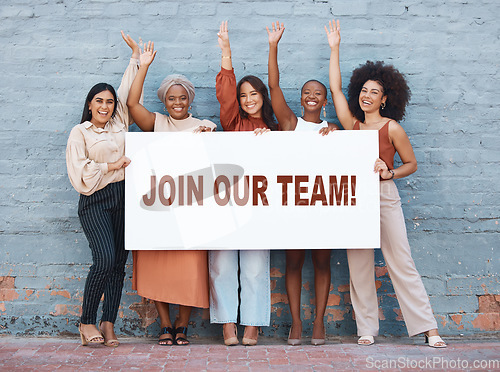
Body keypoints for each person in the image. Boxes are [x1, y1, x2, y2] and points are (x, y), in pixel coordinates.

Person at [325, 19, 447, 348]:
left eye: (373, 92)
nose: (366, 96)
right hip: (355, 198)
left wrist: (388, 173)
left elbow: (412, 164)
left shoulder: (392, 128)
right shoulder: (351, 125)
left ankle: (429, 328)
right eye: (363, 91)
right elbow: (335, 89)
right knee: (359, 264)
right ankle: (367, 329)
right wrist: (335, 49)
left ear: (384, 98)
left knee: (401, 262)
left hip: (384, 196)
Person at [127, 41, 216, 346]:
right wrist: (144, 65)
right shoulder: (157, 123)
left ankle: (183, 324)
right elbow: (131, 105)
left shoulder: (204, 126)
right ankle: (165, 324)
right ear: (164, 101)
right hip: (159, 209)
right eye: (170, 98)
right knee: (158, 266)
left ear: (189, 99)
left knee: (190, 269)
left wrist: (209, 140)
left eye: (182, 98)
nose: (177, 103)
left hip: (191, 210)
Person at [66, 31, 141, 347]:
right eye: (100, 101)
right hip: (94, 200)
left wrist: (136, 56)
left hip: (123, 198)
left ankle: (108, 323)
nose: (106, 106)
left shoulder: (120, 124)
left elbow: (125, 90)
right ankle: (86, 322)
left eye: (109, 102)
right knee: (105, 260)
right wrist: (111, 166)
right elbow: (80, 174)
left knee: (119, 265)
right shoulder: (79, 133)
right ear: (90, 104)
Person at [266, 21, 338, 346]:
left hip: (322, 205)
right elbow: (273, 88)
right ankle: (296, 324)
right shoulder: (289, 123)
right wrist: (273, 46)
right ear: (301, 97)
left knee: (322, 262)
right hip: (293, 204)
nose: (312, 96)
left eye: (318, 94)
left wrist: (337, 131)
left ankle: (319, 324)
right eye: (307, 92)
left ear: (325, 101)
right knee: (293, 263)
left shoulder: (333, 130)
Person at [210, 20, 277, 346]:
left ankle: (252, 324)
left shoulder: (274, 129)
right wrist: (226, 50)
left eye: (254, 94)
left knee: (253, 267)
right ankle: (227, 324)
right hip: (225, 203)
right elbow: (225, 95)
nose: (248, 99)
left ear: (263, 96)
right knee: (222, 265)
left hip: (258, 206)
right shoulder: (232, 121)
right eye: (243, 95)